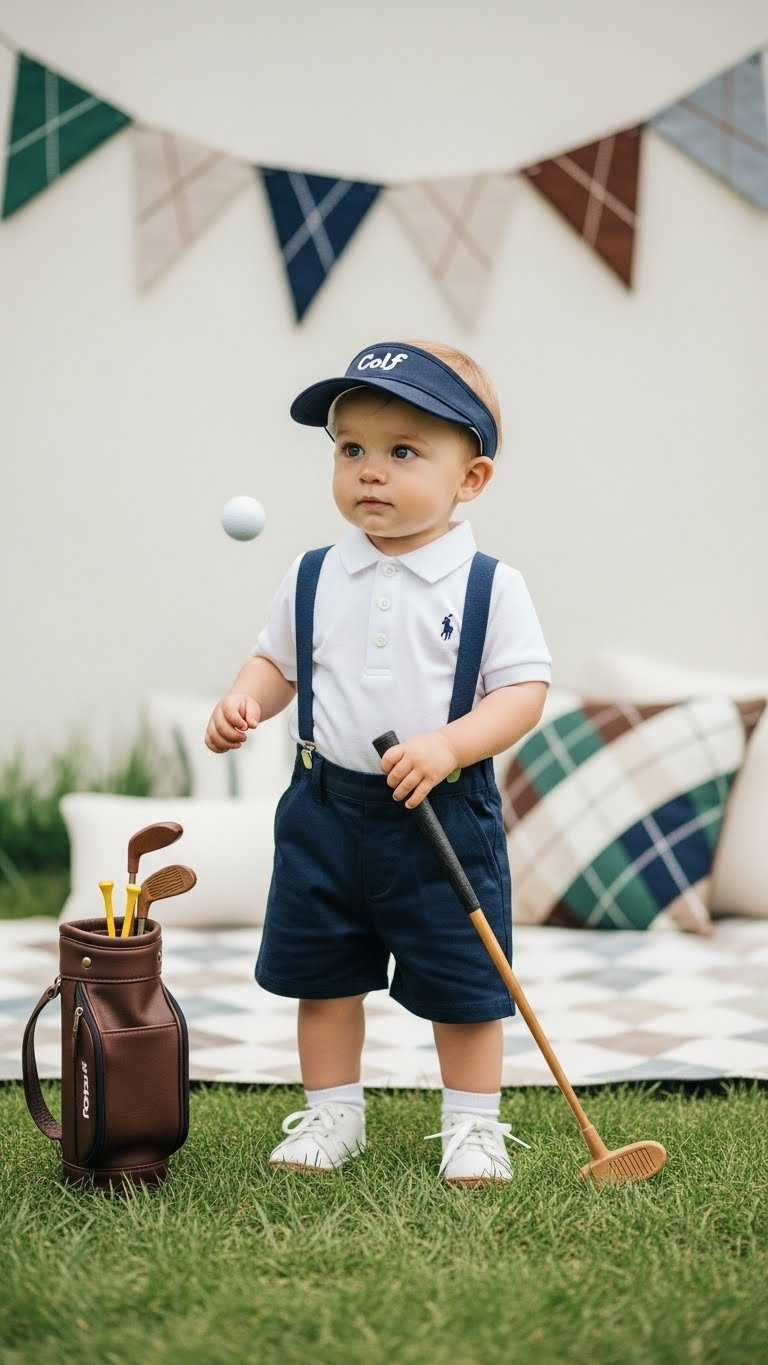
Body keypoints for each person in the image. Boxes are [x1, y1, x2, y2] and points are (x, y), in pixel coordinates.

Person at [205, 340, 551, 1185]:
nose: (370, 471)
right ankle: (333, 1113)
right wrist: (244, 699)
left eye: (402, 452)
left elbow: (522, 693)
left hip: (440, 816)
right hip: (326, 807)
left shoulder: (487, 585)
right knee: (322, 974)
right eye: (351, 448)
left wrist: (449, 744)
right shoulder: (315, 573)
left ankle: (473, 1127)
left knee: (465, 981)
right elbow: (279, 663)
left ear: (470, 480)